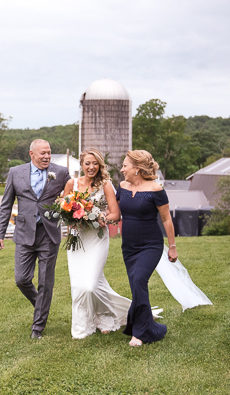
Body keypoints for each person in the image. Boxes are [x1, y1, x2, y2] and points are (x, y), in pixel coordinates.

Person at [0, 139, 70, 339]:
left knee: (46, 282)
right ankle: (41, 305)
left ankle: (38, 327)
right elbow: (5, 205)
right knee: (22, 279)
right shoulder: (15, 172)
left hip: (49, 233)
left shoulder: (61, 173)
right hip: (24, 233)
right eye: (42, 153)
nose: (46, 156)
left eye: (49, 152)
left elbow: (73, 196)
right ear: (31, 154)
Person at [62, 148, 132, 339]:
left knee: (91, 283)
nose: (91, 167)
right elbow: (63, 206)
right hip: (77, 239)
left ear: (100, 165)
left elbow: (115, 214)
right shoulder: (72, 183)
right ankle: (86, 324)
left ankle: (107, 314)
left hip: (98, 238)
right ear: (82, 165)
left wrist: (103, 218)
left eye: (95, 163)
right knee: (79, 284)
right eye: (87, 163)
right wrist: (70, 217)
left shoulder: (106, 184)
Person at [117, 150, 178, 347]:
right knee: (135, 285)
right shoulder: (122, 186)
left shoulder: (156, 189)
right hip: (129, 246)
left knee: (139, 280)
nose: (122, 169)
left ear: (136, 168)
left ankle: (141, 332)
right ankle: (140, 323)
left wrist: (173, 247)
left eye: (125, 165)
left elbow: (166, 218)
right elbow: (116, 213)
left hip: (150, 244)